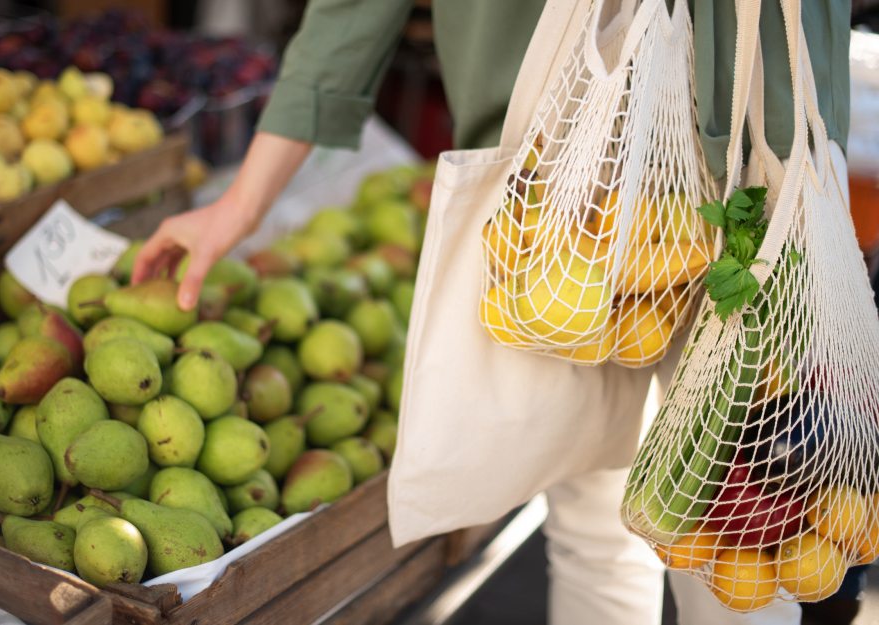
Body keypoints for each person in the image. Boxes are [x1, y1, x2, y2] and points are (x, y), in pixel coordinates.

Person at [133, 2, 852, 623]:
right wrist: (242, 202)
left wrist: (247, 200)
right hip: (571, 173)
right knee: (620, 520)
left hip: (735, 156)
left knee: (739, 541)